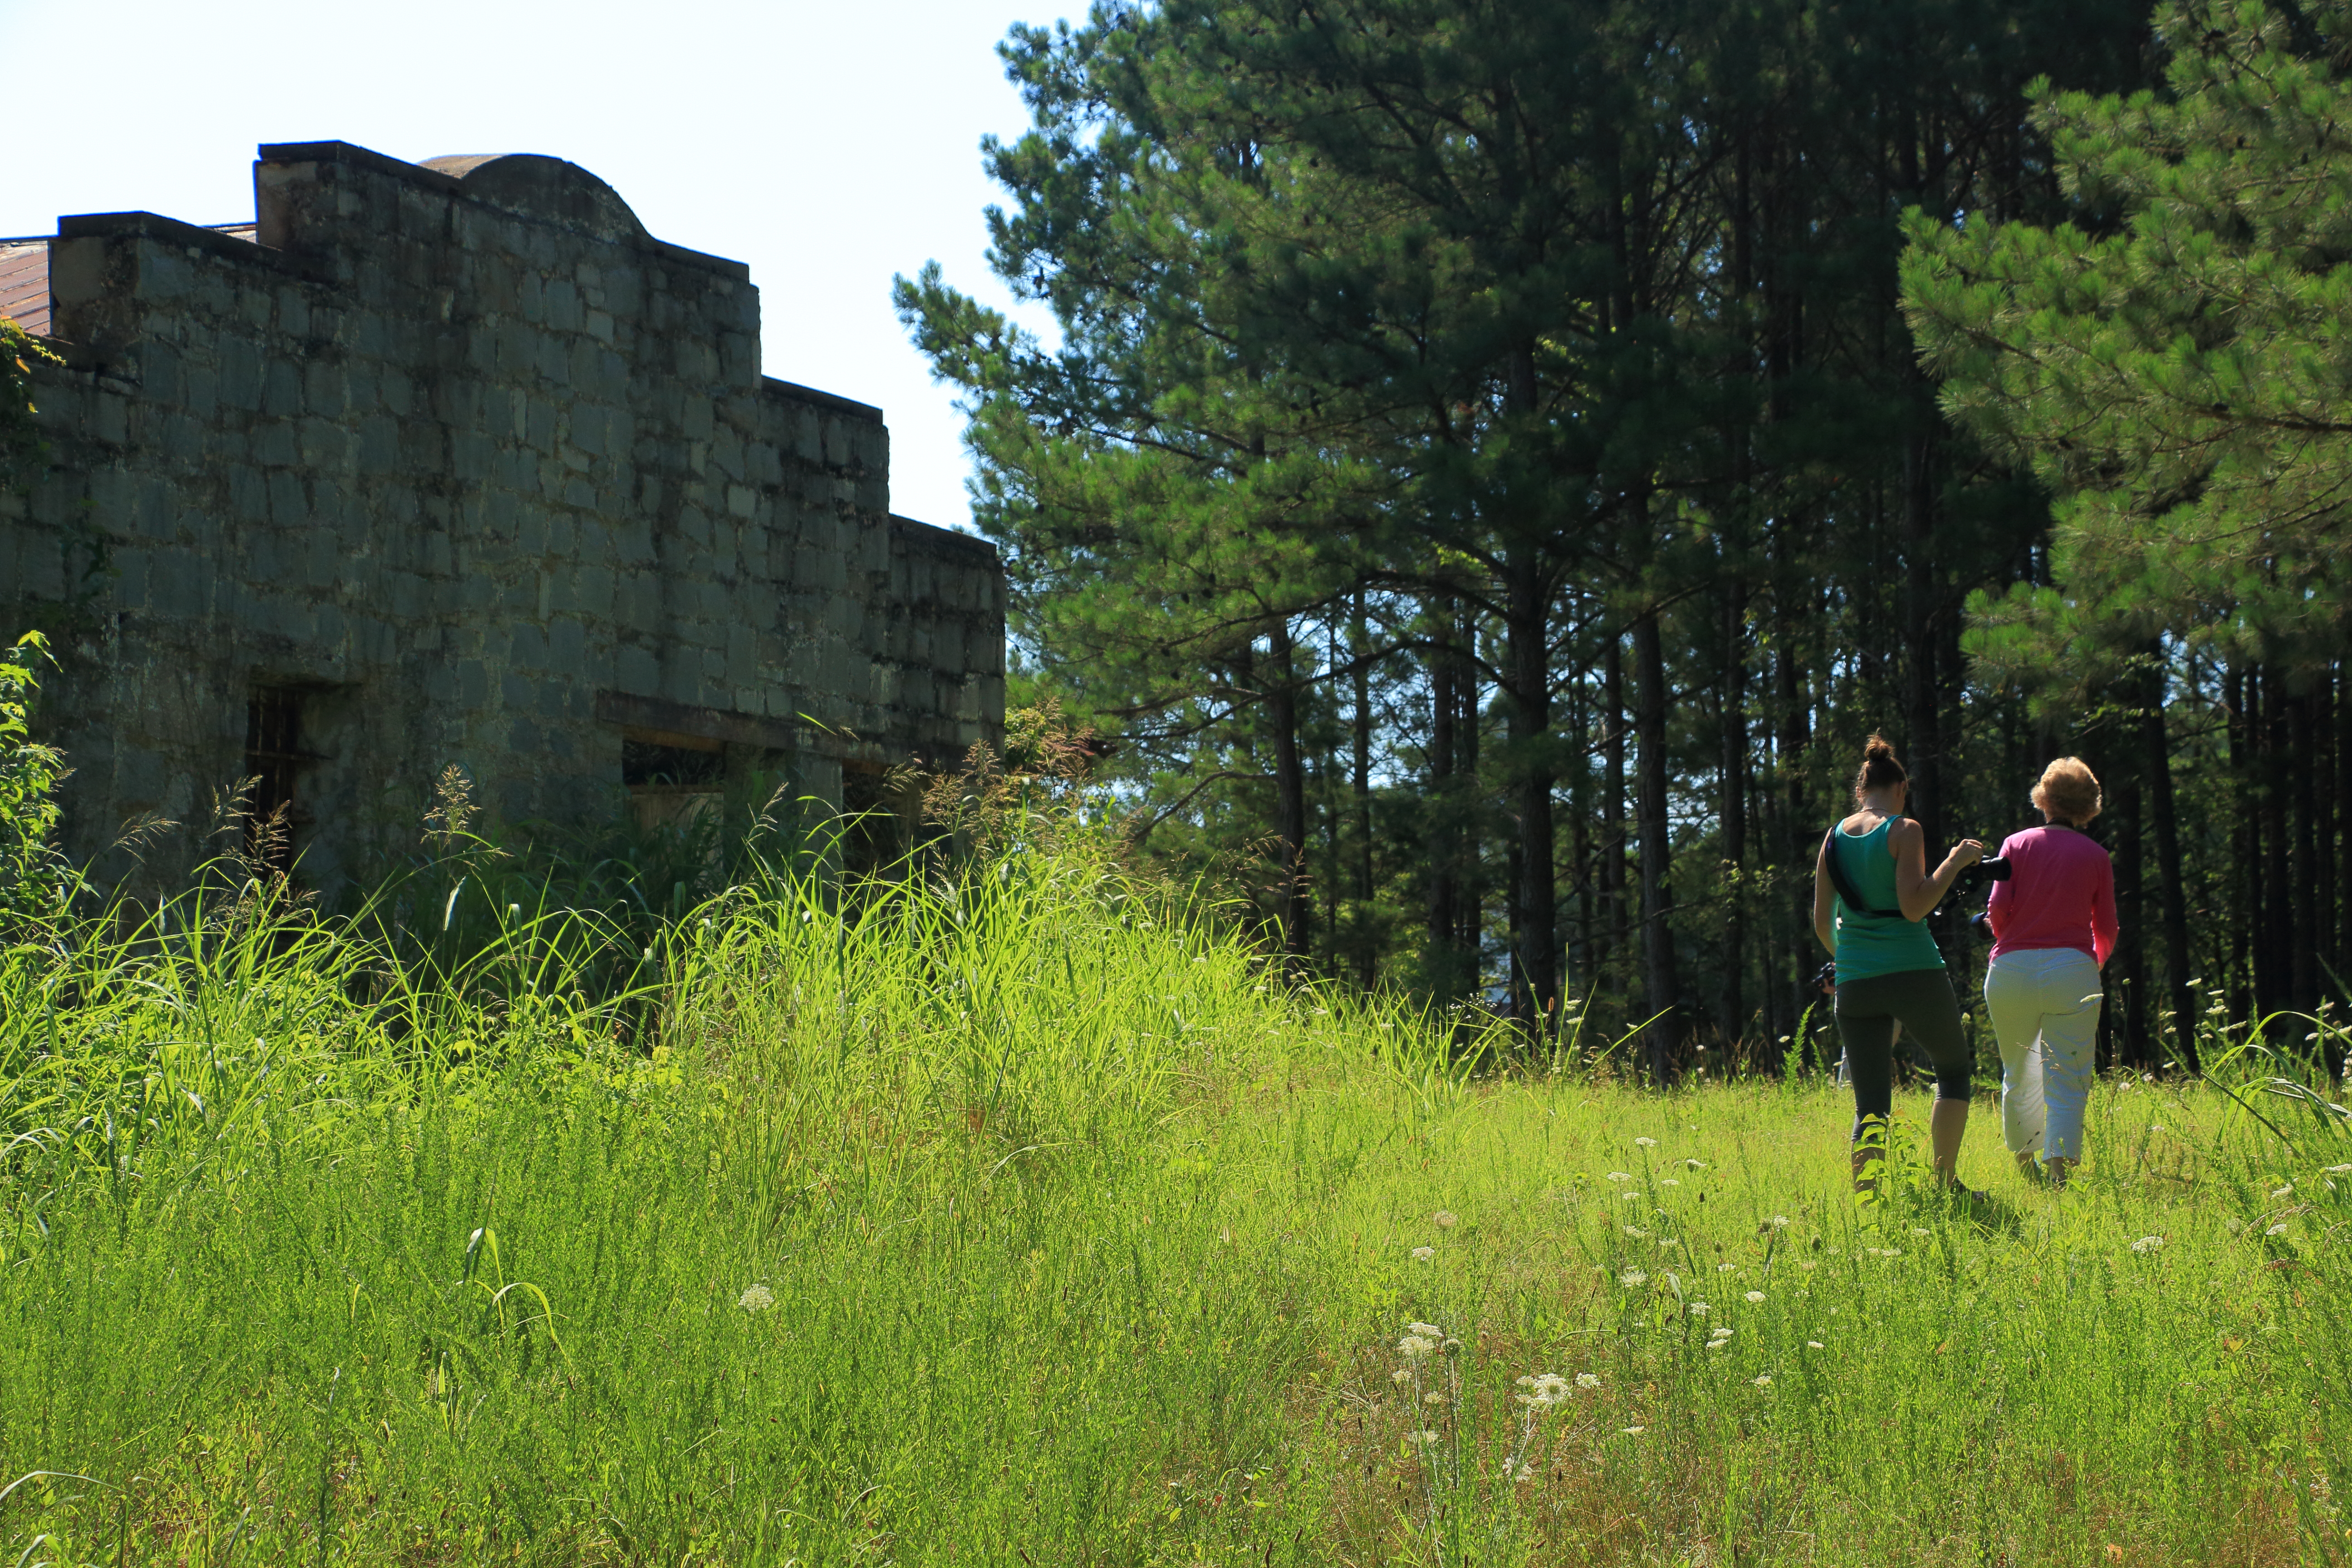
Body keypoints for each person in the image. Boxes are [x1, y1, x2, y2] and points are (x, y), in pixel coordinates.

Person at [1812, 735, 1986, 1193]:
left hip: (1855, 983)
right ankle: (1946, 1183)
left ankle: (1870, 1208)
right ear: (1902, 788)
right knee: (1952, 1071)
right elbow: (1914, 907)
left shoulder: (1832, 839)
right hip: (1914, 971)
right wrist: (1954, 861)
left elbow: (1821, 923)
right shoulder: (1905, 830)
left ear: (1860, 790)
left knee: (1870, 1105)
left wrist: (1849, 958)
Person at [1980, 757, 2116, 1188]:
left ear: (2044, 799)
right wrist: (2089, 964)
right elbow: (2107, 926)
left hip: (2012, 970)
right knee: (2068, 1074)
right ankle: (2060, 1175)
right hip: (2072, 970)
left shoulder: (2015, 844)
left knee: (2018, 1069)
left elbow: (1997, 910)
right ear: (2089, 805)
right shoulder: (2096, 855)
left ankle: (2025, 1168)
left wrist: (2006, 938)